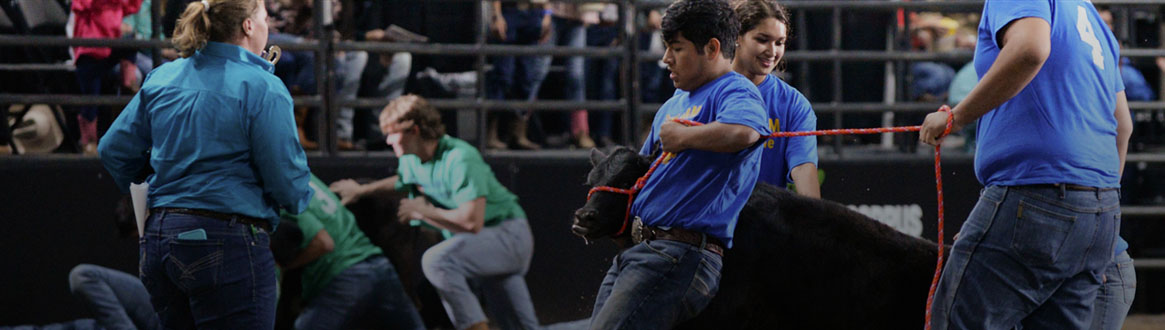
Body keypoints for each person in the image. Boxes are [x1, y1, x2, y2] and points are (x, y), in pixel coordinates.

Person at [98, 0, 313, 328]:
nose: (268, 27)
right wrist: (298, 199)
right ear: (248, 26)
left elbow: (112, 150)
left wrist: (157, 179)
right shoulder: (263, 87)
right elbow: (286, 181)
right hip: (227, 243)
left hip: (159, 239)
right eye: (265, 18)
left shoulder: (162, 77)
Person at [919, 0, 1133, 329]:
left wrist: (955, 118)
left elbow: (1030, 49)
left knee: (954, 320)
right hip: (1100, 205)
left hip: (1036, 194)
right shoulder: (1092, 18)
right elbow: (1123, 126)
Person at [587, 0, 770, 328]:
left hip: (678, 255)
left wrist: (685, 138)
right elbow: (641, 171)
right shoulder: (672, 105)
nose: (666, 59)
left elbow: (745, 132)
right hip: (644, 253)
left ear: (712, 48)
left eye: (676, 48)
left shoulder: (735, 90)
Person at [331, 95, 538, 330]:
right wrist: (361, 190)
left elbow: (472, 223)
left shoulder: (460, 157)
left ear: (414, 130)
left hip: (507, 237)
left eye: (392, 133)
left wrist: (423, 212)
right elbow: (403, 180)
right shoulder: (412, 160)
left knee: (437, 261)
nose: (388, 140)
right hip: (480, 247)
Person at [279, 173, 424, 330]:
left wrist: (283, 266)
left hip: (344, 277)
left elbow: (323, 243)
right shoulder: (304, 176)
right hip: (378, 265)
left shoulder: (280, 193)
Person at [731, 0, 819, 198]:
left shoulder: (794, 104)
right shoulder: (705, 91)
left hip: (761, 223)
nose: (772, 52)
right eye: (762, 40)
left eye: (779, 43)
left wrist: (817, 223)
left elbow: (804, 168)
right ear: (737, 36)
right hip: (705, 223)